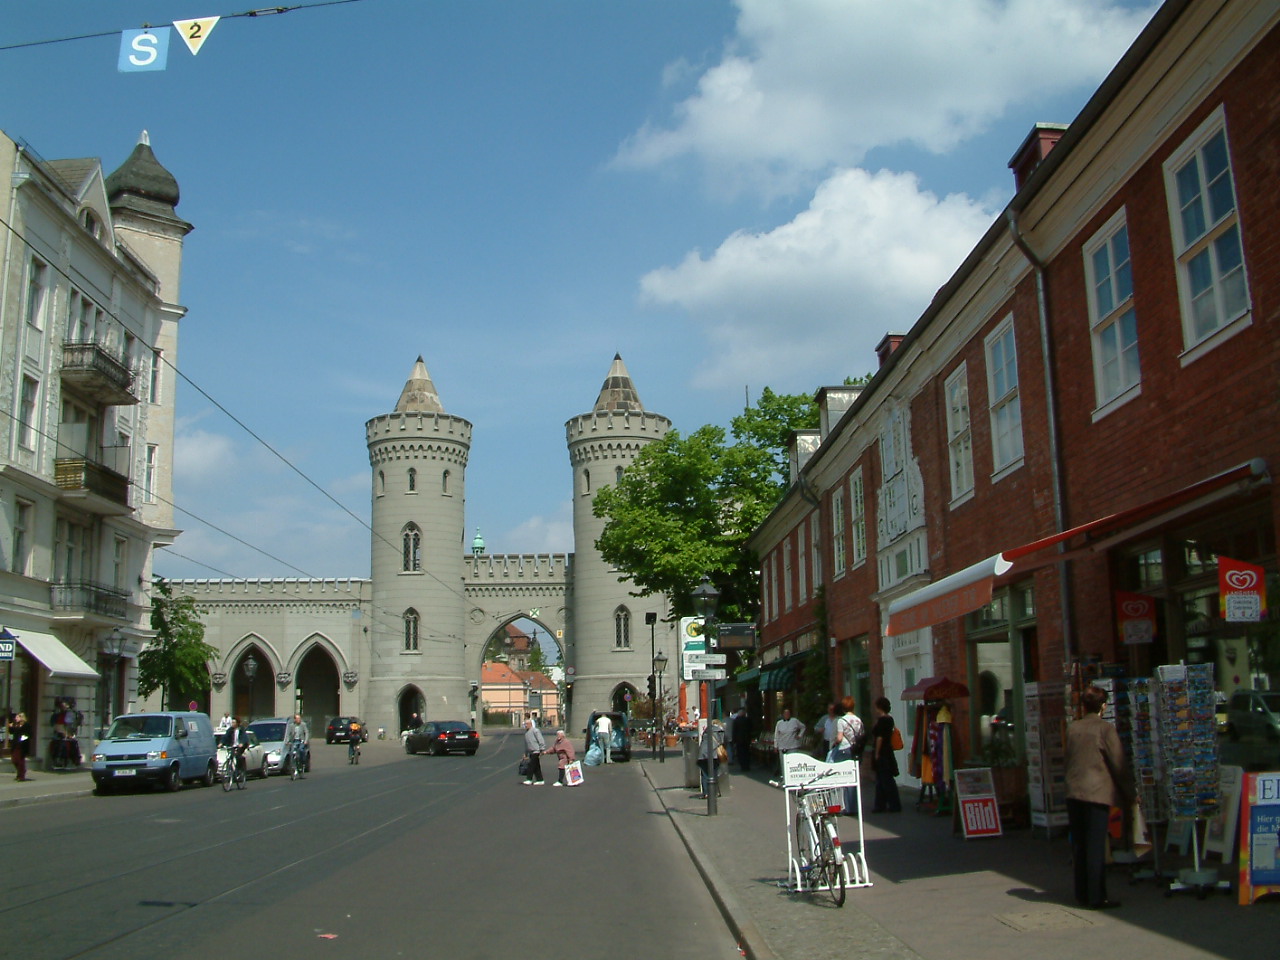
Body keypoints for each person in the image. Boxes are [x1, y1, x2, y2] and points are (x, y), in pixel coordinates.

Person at [1066, 685, 1132, 910]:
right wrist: (1130, 792)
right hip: (1096, 793)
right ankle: (1096, 896)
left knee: (1080, 845)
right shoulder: (1105, 729)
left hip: (1074, 792)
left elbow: (1069, 758)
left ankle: (1081, 893)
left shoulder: (1073, 728)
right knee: (1095, 847)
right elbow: (1119, 764)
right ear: (1104, 706)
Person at [829, 696, 865, 815]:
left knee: (843, 778)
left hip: (843, 750)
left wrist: (835, 743)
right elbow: (861, 735)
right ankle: (854, 807)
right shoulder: (858, 720)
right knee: (853, 779)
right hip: (854, 750)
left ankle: (846, 807)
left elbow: (839, 738)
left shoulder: (841, 721)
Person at [870, 696, 902, 813]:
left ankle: (886, 805)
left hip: (882, 752)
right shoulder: (890, 719)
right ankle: (885, 804)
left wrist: (877, 753)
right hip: (888, 751)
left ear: (879, 707)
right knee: (885, 779)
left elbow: (880, 738)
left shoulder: (882, 721)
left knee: (884, 779)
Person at [695, 719, 724, 799]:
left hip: (702, 754)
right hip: (713, 754)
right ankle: (715, 792)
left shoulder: (706, 730)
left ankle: (706, 793)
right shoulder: (720, 731)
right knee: (714, 773)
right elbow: (722, 742)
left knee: (704, 774)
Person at [773, 708, 806, 775]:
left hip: (792, 745)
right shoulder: (779, 723)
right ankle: (784, 778)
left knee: (793, 763)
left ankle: (792, 777)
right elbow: (776, 735)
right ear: (783, 715)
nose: (787, 715)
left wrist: (799, 735)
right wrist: (775, 746)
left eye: (788, 714)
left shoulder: (794, 721)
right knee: (783, 764)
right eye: (785, 714)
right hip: (782, 746)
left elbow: (803, 727)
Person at [8, 712, 32, 781]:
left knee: (20, 760)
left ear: (21, 718)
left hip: (22, 746)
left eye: (17, 717)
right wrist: (10, 727)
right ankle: (19, 773)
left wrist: (21, 740)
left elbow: (28, 735)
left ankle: (21, 775)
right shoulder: (17, 725)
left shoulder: (26, 725)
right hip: (15, 745)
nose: (16, 719)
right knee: (14, 760)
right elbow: (12, 732)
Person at [523, 716, 547, 784]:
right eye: (525, 724)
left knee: (531, 765)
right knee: (536, 767)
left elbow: (540, 739)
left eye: (526, 724)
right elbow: (527, 744)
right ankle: (540, 780)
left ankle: (529, 779)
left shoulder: (535, 731)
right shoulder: (526, 733)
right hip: (530, 751)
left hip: (536, 751)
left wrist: (542, 749)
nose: (525, 726)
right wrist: (525, 753)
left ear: (530, 724)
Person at [731, 707, 752, 771]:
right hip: (746, 739)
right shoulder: (747, 720)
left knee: (740, 753)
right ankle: (747, 766)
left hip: (739, 739)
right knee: (746, 753)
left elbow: (734, 730)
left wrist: (734, 739)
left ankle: (742, 766)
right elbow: (751, 728)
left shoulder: (736, 721)